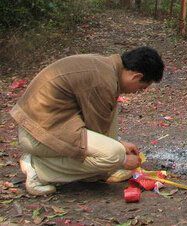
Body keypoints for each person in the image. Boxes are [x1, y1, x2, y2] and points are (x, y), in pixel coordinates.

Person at [10, 46, 164, 195]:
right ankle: (38, 168)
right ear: (136, 76)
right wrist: (122, 160)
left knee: (112, 114)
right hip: (37, 136)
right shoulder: (104, 82)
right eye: (142, 87)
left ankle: (95, 173)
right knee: (114, 155)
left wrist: (119, 143)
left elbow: (100, 124)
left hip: (48, 125)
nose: (138, 92)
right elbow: (97, 132)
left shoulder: (106, 68)